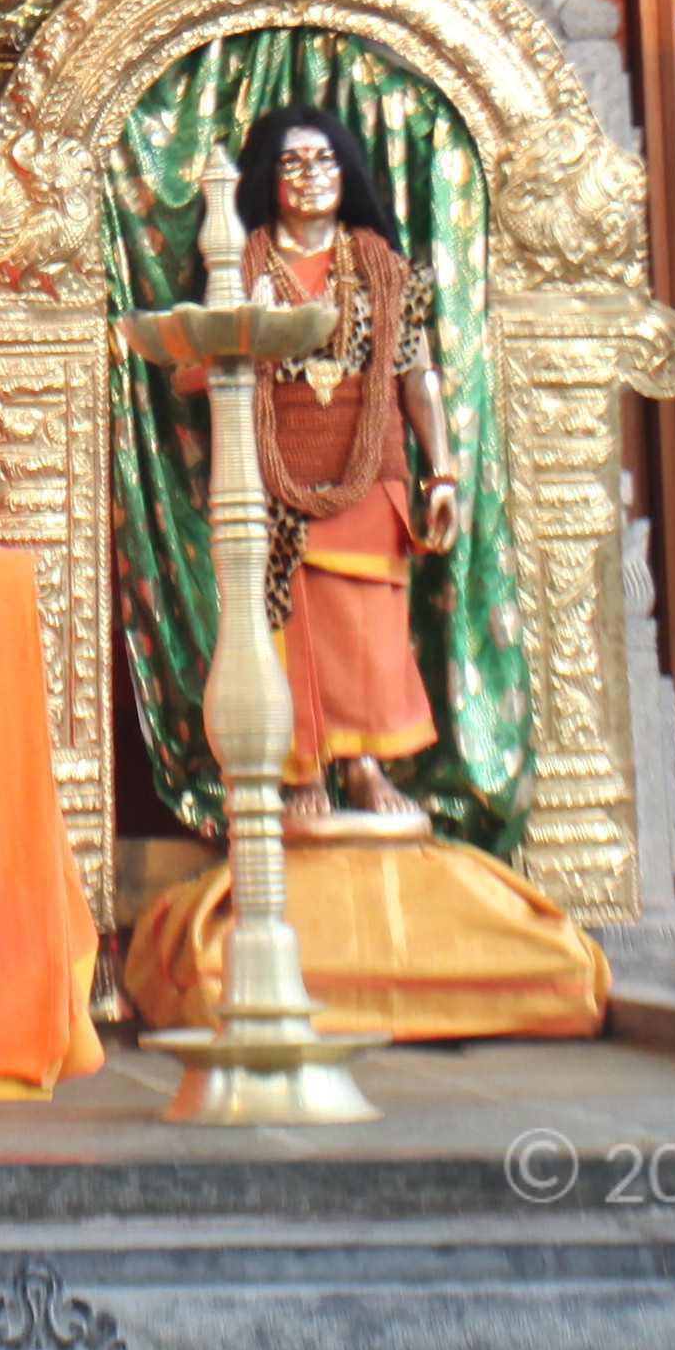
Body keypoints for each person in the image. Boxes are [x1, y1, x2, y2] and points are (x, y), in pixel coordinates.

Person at [221, 102, 462, 825]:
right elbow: (203, 368)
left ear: (347, 171)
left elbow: (418, 375)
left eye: (324, 159)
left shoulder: (382, 267)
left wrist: (441, 473)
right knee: (287, 626)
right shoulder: (241, 264)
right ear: (267, 178)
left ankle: (363, 765)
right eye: (292, 162)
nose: (310, 175)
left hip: (370, 463)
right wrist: (247, 330)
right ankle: (303, 773)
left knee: (367, 627)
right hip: (275, 468)